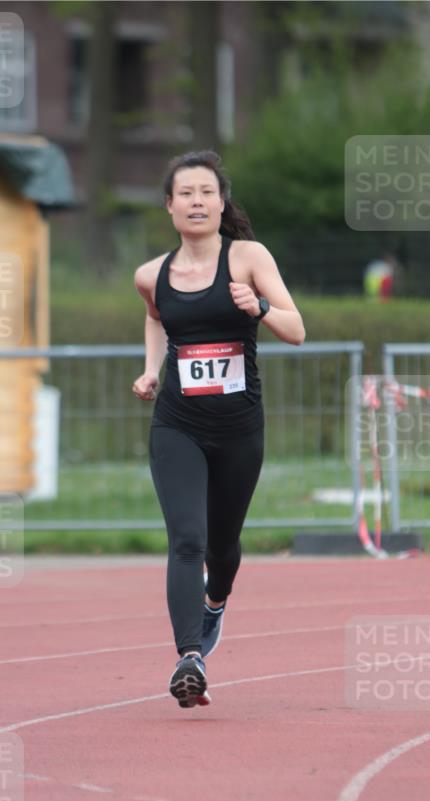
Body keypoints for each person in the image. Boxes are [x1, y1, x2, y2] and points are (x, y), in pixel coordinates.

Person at [132, 150, 305, 709]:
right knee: (187, 539)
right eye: (186, 193)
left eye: (207, 192)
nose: (197, 201)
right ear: (170, 206)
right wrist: (151, 370)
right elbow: (157, 317)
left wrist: (256, 306)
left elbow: (296, 329)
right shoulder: (150, 275)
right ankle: (189, 657)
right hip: (177, 424)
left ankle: (215, 605)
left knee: (223, 548)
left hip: (238, 428)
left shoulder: (248, 258)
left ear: (221, 202)